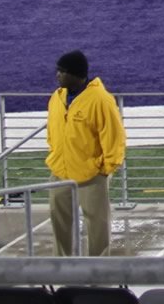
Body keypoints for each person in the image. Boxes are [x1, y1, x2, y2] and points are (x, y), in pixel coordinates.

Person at [47, 50, 125, 255]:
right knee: (59, 222)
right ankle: (62, 269)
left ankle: (98, 273)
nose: (57, 75)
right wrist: (55, 155)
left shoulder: (100, 100)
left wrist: (105, 169)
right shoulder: (57, 97)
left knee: (97, 225)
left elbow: (114, 137)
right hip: (60, 173)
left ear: (75, 74)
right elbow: (53, 130)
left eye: (61, 71)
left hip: (91, 175)